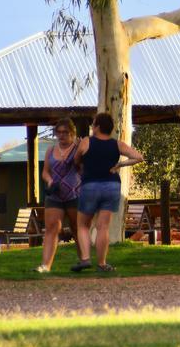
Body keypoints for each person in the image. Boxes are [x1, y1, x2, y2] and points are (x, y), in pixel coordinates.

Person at [71, 112, 144, 273]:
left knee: (82, 225)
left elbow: (76, 161)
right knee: (103, 227)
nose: (92, 127)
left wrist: (80, 156)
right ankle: (102, 263)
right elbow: (139, 157)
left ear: (97, 127)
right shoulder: (117, 144)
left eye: (93, 124)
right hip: (111, 186)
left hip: (90, 185)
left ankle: (85, 259)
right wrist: (119, 165)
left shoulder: (86, 142)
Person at [36, 118, 82, 273]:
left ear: (72, 133)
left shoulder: (78, 148)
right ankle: (45, 265)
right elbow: (45, 171)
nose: (61, 136)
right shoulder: (51, 150)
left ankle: (84, 260)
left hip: (75, 193)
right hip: (55, 195)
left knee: (77, 227)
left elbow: (83, 169)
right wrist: (49, 181)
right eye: (59, 132)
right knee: (52, 228)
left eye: (65, 133)